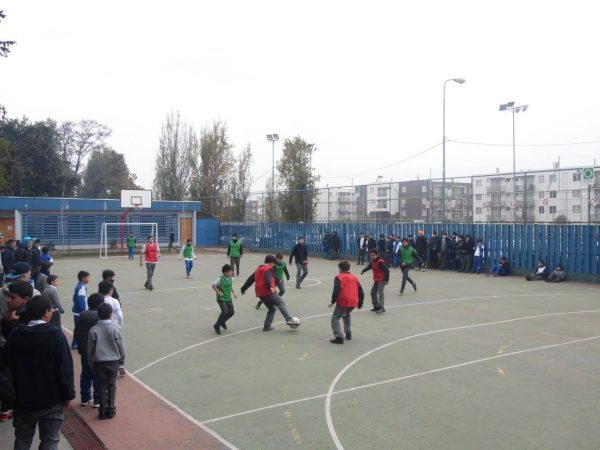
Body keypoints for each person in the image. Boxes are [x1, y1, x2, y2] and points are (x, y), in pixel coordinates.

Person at [2, 294, 75, 449]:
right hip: (51, 400)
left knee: (22, 440)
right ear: (47, 312)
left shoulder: (16, 335)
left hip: (23, 399)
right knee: (50, 441)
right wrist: (68, 393)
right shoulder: (55, 335)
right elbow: (65, 368)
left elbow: (4, 363)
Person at [241, 255, 300, 331]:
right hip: (268, 292)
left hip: (260, 294)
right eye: (273, 263)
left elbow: (250, 280)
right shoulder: (268, 268)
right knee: (281, 303)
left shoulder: (258, 269)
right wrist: (270, 287)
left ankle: (267, 326)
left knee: (272, 308)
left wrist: (243, 289)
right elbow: (268, 278)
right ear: (271, 262)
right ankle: (289, 319)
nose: (274, 265)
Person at [87, 303, 126, 420]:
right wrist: (121, 361)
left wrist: (91, 363)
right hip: (113, 361)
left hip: (99, 361)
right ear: (110, 314)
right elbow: (121, 347)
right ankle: (111, 408)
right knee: (112, 384)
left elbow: (90, 349)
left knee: (102, 385)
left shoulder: (94, 330)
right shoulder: (116, 328)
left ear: (98, 315)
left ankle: (102, 409)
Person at [74, 293, 104, 409]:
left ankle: (85, 398)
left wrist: (79, 345)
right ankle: (97, 399)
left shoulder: (82, 314)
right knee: (97, 375)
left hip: (84, 349)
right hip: (96, 350)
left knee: (85, 373)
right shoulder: (99, 316)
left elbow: (76, 331)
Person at [328, 261, 364, 344]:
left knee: (335, 318)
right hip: (353, 301)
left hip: (344, 301)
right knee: (346, 315)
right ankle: (348, 333)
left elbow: (336, 290)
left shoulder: (339, 277)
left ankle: (339, 337)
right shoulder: (354, 277)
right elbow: (361, 291)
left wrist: (333, 301)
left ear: (340, 268)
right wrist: (360, 303)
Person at [361, 249, 389, 314]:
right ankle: (376, 306)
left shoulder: (380, 262)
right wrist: (363, 271)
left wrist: (386, 280)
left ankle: (382, 307)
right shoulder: (373, 261)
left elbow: (387, 271)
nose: (372, 257)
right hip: (377, 279)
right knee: (373, 292)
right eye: (371, 255)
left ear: (377, 255)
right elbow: (369, 267)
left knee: (380, 292)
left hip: (382, 279)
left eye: (373, 255)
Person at [211, 264, 237, 334]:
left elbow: (230, 286)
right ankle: (217, 325)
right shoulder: (219, 279)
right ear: (225, 272)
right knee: (225, 312)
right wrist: (218, 292)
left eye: (232, 271)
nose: (232, 272)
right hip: (221, 298)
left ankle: (222, 322)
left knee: (231, 312)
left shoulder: (231, 278)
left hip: (228, 298)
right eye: (230, 271)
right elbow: (213, 285)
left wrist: (234, 293)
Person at [71, 270, 90, 350]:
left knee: (78, 328)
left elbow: (74, 298)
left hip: (77, 312)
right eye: (88, 277)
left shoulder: (79, 286)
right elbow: (80, 300)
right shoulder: (81, 288)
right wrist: (84, 311)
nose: (89, 279)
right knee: (80, 329)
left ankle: (75, 343)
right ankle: (76, 343)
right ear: (83, 278)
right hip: (80, 312)